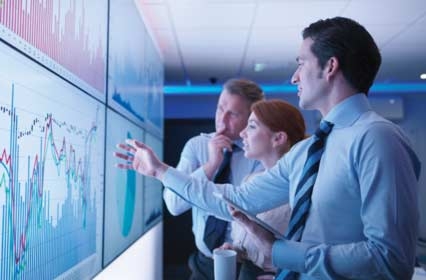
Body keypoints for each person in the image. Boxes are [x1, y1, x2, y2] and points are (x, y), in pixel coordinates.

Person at [116, 16, 421, 279]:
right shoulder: (307, 152)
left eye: (301, 63)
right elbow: (235, 199)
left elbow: (389, 260)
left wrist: (284, 255)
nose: (294, 76)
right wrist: (160, 170)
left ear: (330, 67)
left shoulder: (378, 139)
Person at [163, 78, 264, 279]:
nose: (222, 120)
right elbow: (174, 205)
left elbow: (257, 211)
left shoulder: (261, 152)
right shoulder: (196, 145)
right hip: (205, 263)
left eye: (233, 114)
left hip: (248, 265)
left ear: (252, 117)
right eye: (220, 109)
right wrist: (210, 166)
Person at [219, 99, 305, 280]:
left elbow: (306, 253)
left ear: (278, 138)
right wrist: (236, 250)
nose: (242, 133)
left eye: (251, 126)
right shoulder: (250, 180)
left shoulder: (300, 190)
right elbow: (249, 241)